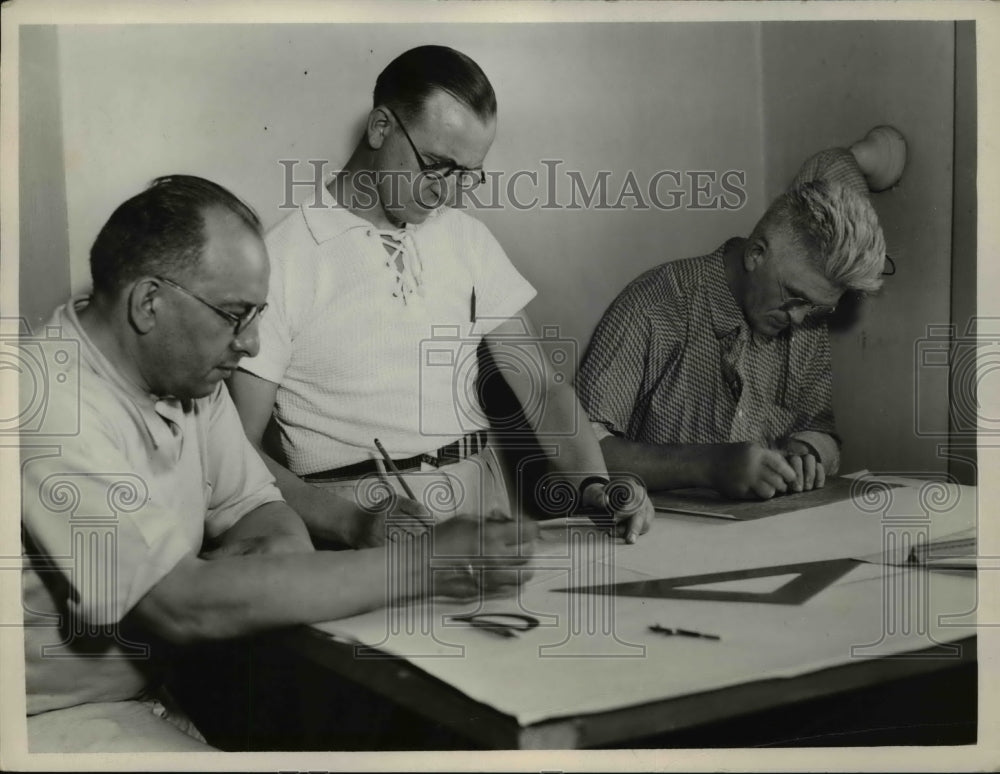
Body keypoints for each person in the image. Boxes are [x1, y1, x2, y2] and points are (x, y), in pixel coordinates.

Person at [20, 176, 533, 752]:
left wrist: (277, 558)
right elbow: (179, 605)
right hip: (48, 719)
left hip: (157, 689)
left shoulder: (189, 380)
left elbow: (256, 503)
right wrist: (426, 564)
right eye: (235, 315)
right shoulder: (40, 399)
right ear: (148, 303)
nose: (254, 344)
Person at [228, 45, 654, 545]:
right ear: (381, 128)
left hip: (485, 499)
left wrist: (594, 486)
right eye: (435, 164)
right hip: (363, 516)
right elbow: (236, 453)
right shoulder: (281, 259)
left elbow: (539, 388)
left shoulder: (465, 238)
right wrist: (351, 522)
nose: (445, 193)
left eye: (465, 175)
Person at [576, 149, 886, 500]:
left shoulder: (805, 317)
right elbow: (576, 450)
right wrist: (708, 465)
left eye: (817, 308)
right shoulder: (654, 307)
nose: (799, 319)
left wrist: (809, 453)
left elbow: (820, 428)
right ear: (756, 254)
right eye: (796, 297)